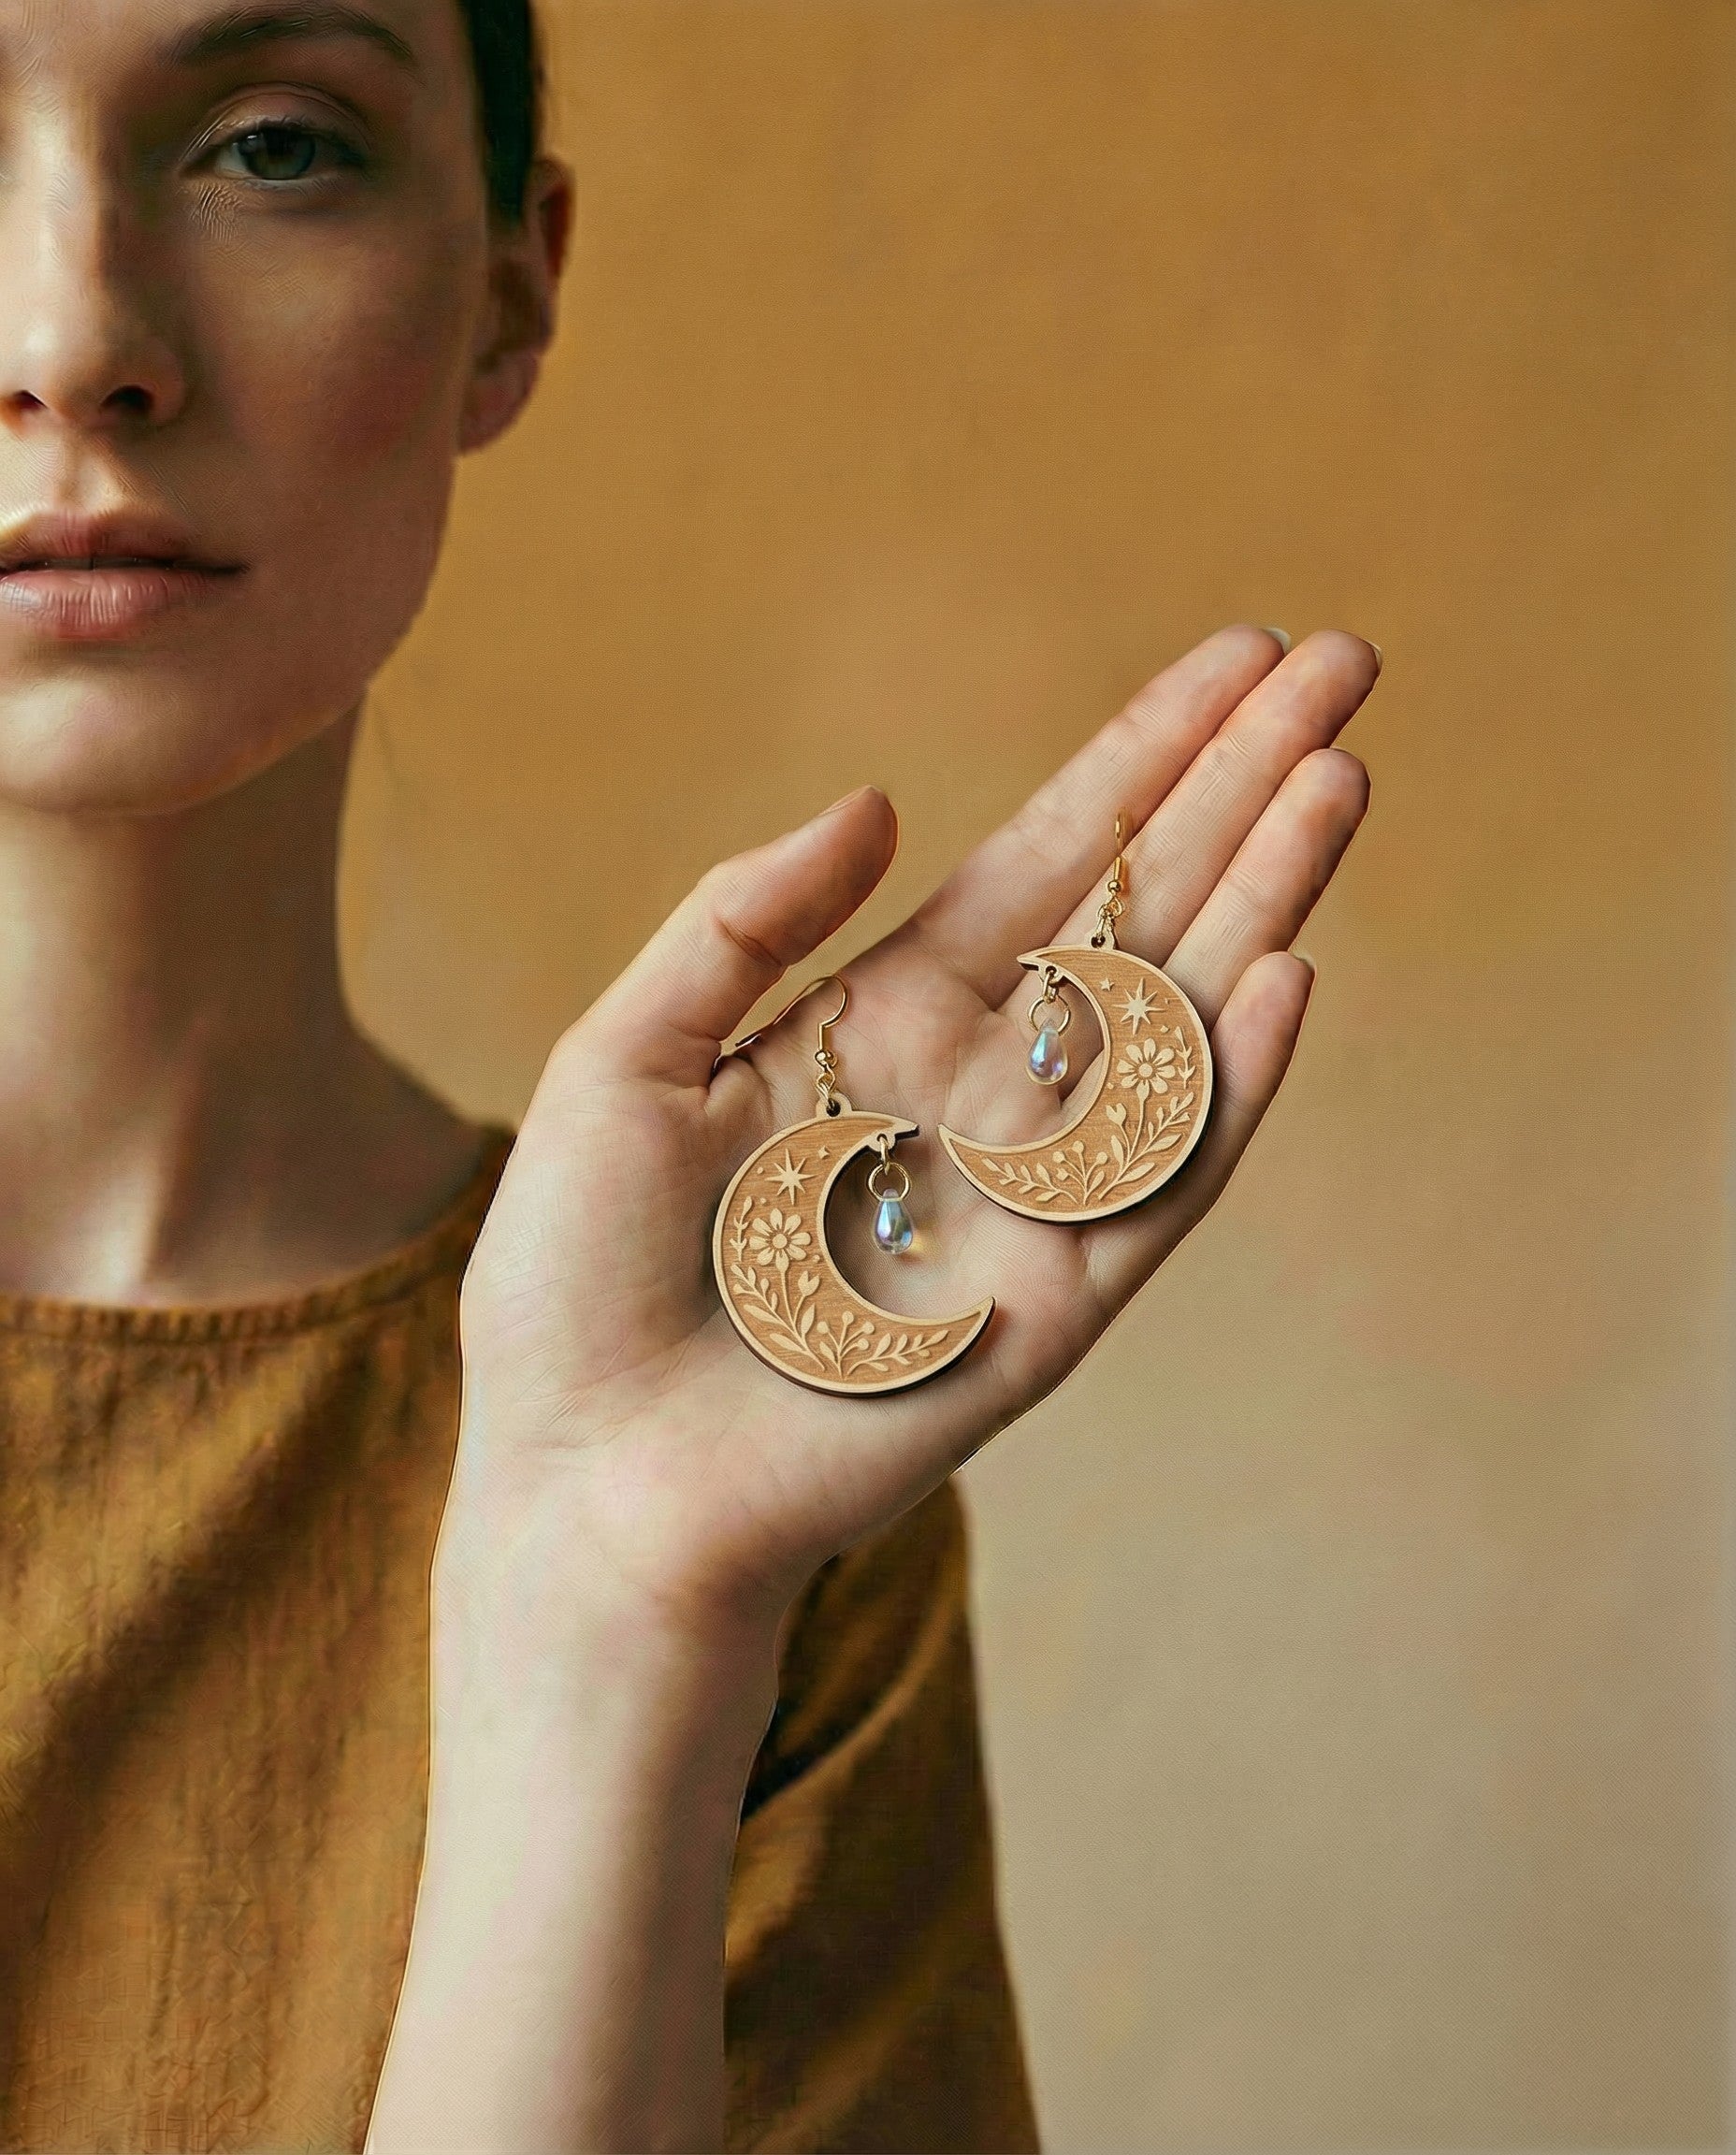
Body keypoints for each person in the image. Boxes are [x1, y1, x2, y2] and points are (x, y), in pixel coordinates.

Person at [0, 0, 1378, 2147]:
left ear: (506, 282)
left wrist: (605, 1631)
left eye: (273, 145)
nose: (76, 338)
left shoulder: (752, 1424)